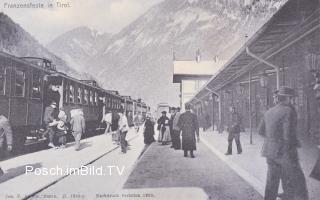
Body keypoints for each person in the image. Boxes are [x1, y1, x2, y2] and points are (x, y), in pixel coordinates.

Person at [258, 86, 308, 200]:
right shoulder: (289, 110)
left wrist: (273, 139)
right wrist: (294, 144)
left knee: (272, 180)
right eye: (292, 98)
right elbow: (288, 136)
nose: (293, 101)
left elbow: (260, 131)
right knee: (298, 180)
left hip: (269, 151)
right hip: (284, 151)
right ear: (288, 98)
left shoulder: (269, 111)